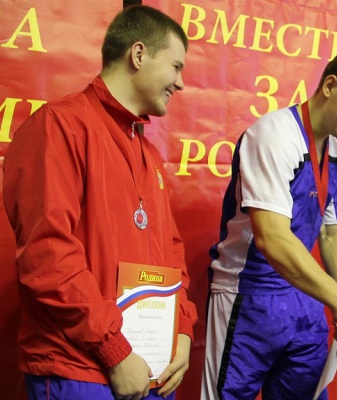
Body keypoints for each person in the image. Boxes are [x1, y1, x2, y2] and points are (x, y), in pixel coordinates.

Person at [3, 6, 197, 400]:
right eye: (176, 66)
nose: (180, 83)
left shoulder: (148, 153)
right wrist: (114, 349)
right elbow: (48, 254)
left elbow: (171, 254)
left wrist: (182, 329)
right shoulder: (59, 126)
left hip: (151, 370)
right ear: (138, 54)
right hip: (82, 370)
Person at [200, 50, 337, 400]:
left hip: (304, 295)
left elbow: (331, 232)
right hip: (248, 292)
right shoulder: (272, 135)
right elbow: (272, 237)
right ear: (330, 86)